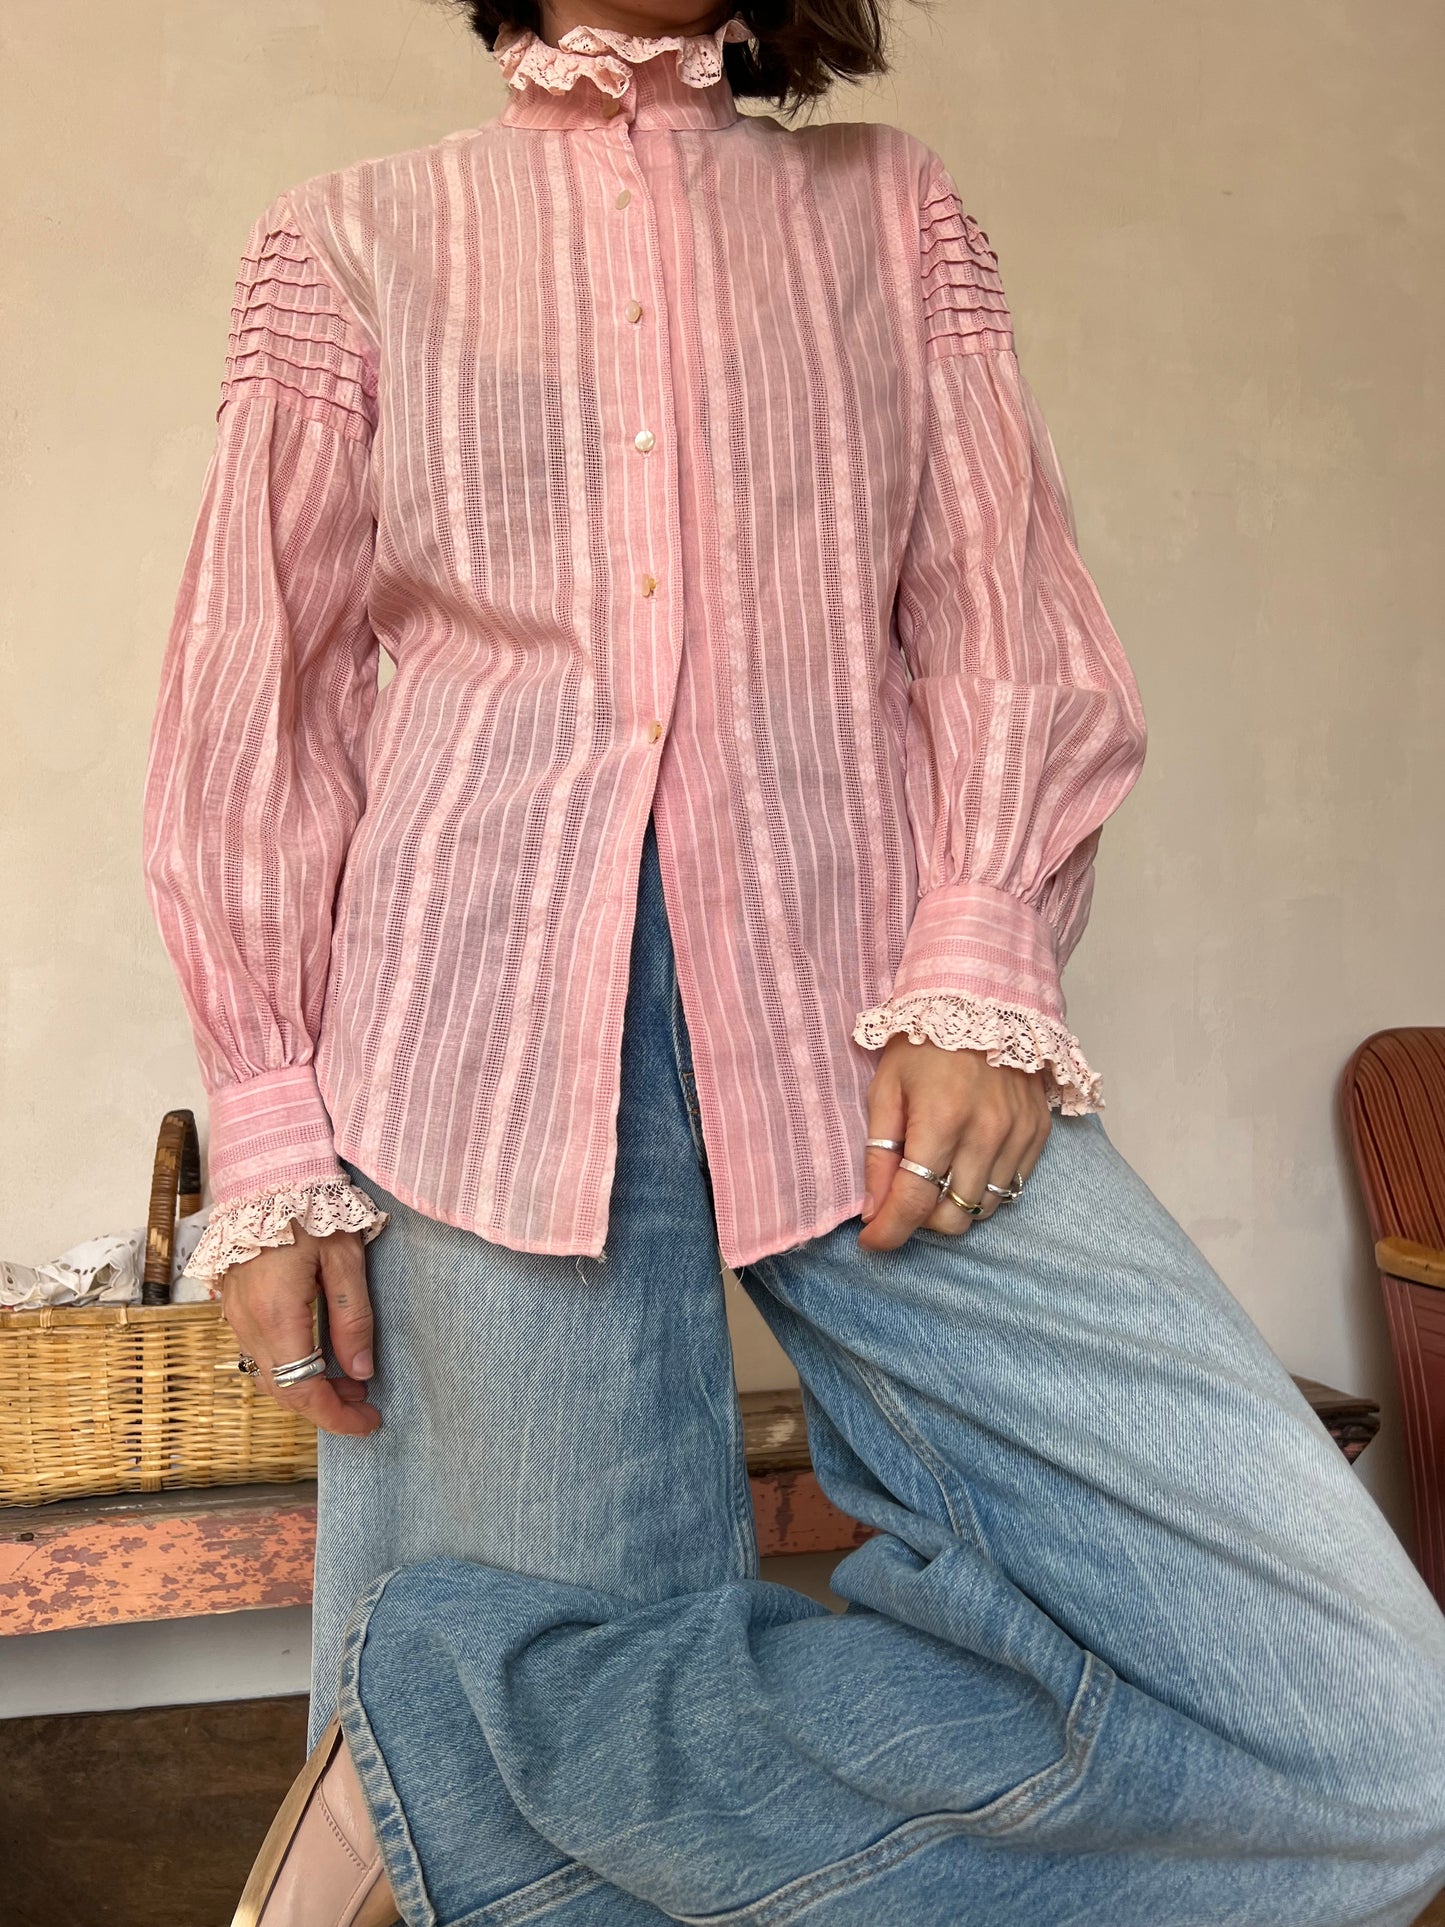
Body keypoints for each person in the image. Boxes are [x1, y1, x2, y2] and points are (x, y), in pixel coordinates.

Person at [141, 4, 1445, 1924]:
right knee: (573, 1873)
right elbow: (261, 693)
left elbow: (997, 611)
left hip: (886, 1022)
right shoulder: (346, 239)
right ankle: (456, 1803)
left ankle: (426, 1752)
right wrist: (267, 1132)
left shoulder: (891, 214)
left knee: (1368, 1737)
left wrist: (985, 938)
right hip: (467, 1044)